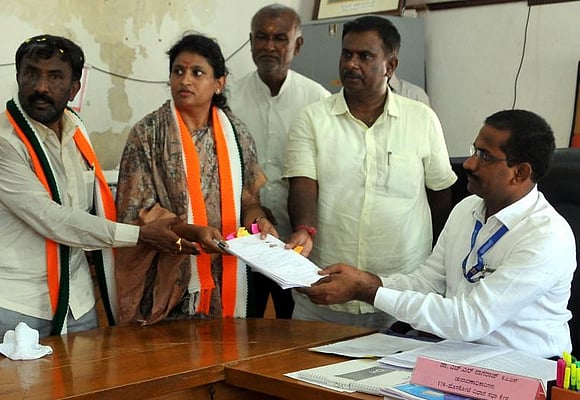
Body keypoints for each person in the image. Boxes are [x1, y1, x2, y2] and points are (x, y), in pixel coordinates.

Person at [0, 34, 182, 348]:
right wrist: (140, 235)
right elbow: (52, 218)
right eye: (31, 74)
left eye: (54, 76)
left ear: (74, 87)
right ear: (18, 77)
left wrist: (173, 227)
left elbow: (86, 209)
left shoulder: (76, 130)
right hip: (10, 301)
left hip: (75, 299)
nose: (41, 86)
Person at [301, 110, 573, 358]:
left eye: (485, 156)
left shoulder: (546, 237)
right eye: (474, 150)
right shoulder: (467, 208)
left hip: (526, 367)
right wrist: (367, 281)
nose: (469, 164)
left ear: (520, 172)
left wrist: (367, 292)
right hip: (460, 355)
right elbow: (427, 282)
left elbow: (470, 319)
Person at [284, 16, 457, 330]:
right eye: (346, 54)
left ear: (390, 65)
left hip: (399, 292)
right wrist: (304, 229)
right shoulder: (312, 119)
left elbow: (440, 194)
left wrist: (433, 265)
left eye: (365, 56)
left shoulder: (421, 120)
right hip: (326, 290)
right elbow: (303, 184)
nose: (351, 64)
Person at [116, 33, 275, 324]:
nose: (185, 80)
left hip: (228, 272)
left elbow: (249, 200)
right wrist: (193, 232)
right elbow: (136, 212)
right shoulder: (148, 134)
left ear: (219, 83)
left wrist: (259, 221)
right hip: (168, 275)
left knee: (229, 344)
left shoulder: (237, 134)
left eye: (197, 73)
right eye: (178, 71)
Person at [227, 4, 330, 319]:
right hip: (244, 239)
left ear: (297, 45)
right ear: (251, 41)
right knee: (243, 324)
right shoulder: (228, 99)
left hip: (299, 243)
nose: (269, 46)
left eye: (280, 38)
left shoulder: (318, 101)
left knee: (295, 325)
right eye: (262, 37)